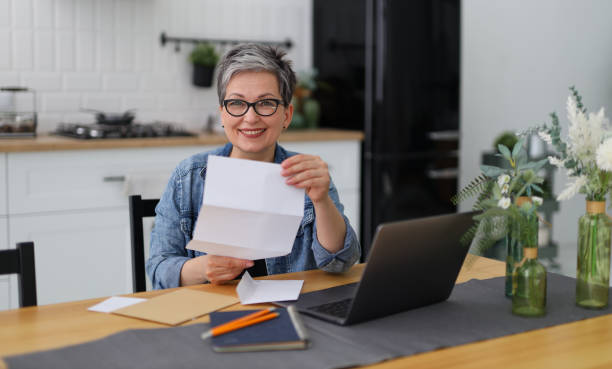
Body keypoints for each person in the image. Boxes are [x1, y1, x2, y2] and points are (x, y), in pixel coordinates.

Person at [146, 44, 361, 289]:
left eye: (266, 103)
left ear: (287, 115)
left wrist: (322, 200)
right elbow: (158, 271)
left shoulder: (307, 174)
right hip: (208, 315)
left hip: (290, 312)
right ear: (222, 115)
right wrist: (203, 268)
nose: (250, 118)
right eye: (237, 103)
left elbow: (341, 263)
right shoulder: (189, 176)